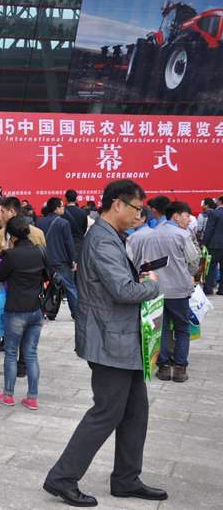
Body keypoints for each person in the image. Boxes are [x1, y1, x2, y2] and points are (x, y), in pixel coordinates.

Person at [44, 180, 166, 508]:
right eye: (137, 209)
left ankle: (126, 478)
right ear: (117, 204)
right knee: (107, 412)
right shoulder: (102, 240)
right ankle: (62, 477)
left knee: (135, 412)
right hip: (110, 341)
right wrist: (153, 285)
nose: (140, 215)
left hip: (122, 339)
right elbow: (123, 291)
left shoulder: (110, 236)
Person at [0, 216, 47, 410]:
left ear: (11, 235)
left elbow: (0, 276)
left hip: (15, 309)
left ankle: (8, 395)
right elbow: (46, 276)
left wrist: (4, 251)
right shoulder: (40, 251)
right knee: (31, 354)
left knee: (11, 353)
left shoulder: (11, 255)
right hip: (36, 309)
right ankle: (32, 398)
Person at [141, 201, 199, 383]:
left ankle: (164, 367)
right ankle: (180, 368)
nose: (189, 220)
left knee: (162, 328)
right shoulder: (183, 235)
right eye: (187, 216)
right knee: (182, 328)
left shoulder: (152, 234)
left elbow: (145, 262)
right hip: (178, 290)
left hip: (156, 289)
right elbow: (194, 260)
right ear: (176, 216)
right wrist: (188, 274)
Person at [37, 197, 78, 320]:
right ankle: (76, 312)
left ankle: (45, 311)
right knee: (70, 287)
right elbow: (69, 243)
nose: (63, 208)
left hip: (44, 260)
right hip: (60, 260)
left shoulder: (40, 222)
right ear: (56, 208)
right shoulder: (63, 223)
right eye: (62, 206)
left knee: (47, 286)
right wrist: (73, 260)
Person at [202, 195, 223, 295]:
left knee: (210, 267)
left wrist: (204, 243)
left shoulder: (214, 213)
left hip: (214, 244)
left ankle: (208, 289)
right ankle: (222, 290)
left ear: (220, 201)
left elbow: (209, 229)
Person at [64, 189, 89, 257]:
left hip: (65, 242)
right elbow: (84, 228)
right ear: (76, 199)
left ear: (66, 198)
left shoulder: (62, 213)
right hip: (78, 242)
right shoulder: (82, 212)